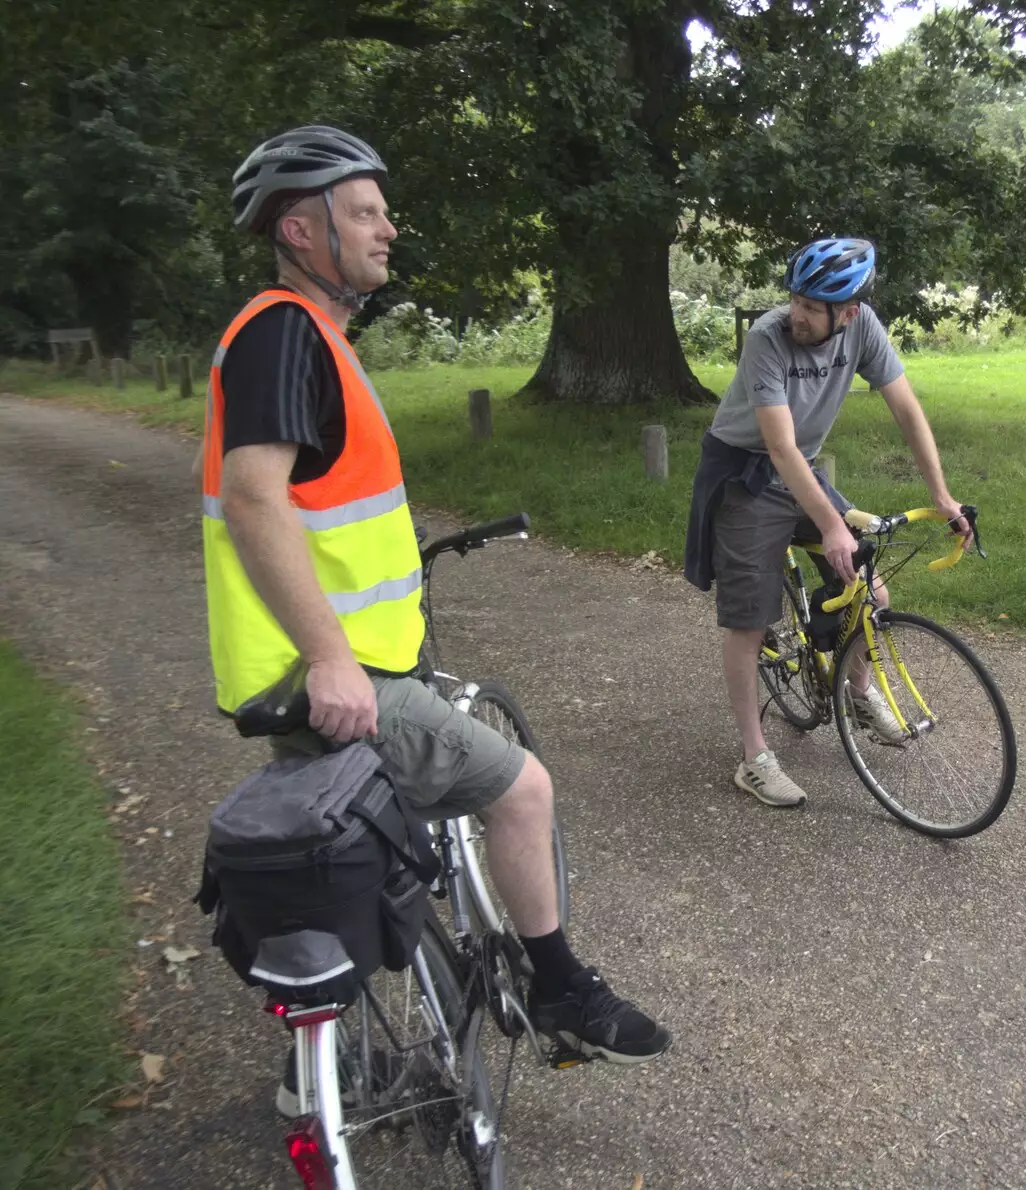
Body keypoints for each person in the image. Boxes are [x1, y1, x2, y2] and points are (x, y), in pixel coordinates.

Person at [199, 126, 669, 1109]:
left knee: (354, 843)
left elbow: (322, 506)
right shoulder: (284, 328)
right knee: (523, 789)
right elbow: (254, 497)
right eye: (364, 210)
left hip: (319, 666)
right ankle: (560, 990)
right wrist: (331, 656)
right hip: (335, 673)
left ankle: (312, 1074)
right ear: (300, 226)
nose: (388, 225)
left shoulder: (312, 337)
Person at [683, 237, 971, 808]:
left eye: (814, 308)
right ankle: (754, 757)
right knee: (748, 620)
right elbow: (780, 447)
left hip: (801, 471)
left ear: (849, 312)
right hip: (745, 472)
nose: (799, 314)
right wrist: (833, 525)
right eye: (796, 299)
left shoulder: (865, 329)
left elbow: (907, 408)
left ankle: (857, 693)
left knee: (874, 592)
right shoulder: (767, 338)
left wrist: (941, 495)